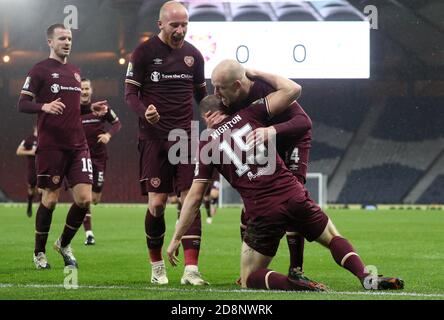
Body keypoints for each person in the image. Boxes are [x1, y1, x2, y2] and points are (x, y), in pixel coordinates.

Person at [167, 69, 404, 291]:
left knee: (249, 277)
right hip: (292, 193)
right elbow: (293, 89)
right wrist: (258, 73)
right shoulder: (254, 113)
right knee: (332, 237)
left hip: (263, 209)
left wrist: (177, 236)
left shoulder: (206, 145)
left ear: (208, 116)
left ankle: (294, 284)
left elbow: (195, 197)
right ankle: (366, 276)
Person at [124, 1, 208, 285]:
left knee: (190, 200)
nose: (180, 30)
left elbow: (201, 96)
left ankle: (191, 269)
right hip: (154, 137)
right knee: (158, 203)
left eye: (184, 25)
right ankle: (157, 265)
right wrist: (144, 111)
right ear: (160, 24)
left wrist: (218, 112)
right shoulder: (144, 53)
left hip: (185, 137)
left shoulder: (194, 56)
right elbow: (130, 95)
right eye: (175, 25)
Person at [208, 59, 312, 282]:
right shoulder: (228, 100)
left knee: (294, 204)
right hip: (265, 146)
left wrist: (273, 130)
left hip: (292, 141)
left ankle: (296, 270)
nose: (216, 93)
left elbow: (304, 122)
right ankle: (249, 267)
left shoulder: (263, 88)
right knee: (250, 209)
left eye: (220, 87)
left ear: (236, 83)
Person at [17, 23, 108, 269]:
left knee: (84, 199)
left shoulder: (75, 71)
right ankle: (39, 253)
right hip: (51, 146)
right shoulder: (39, 70)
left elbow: (72, 110)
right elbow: (22, 103)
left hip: (78, 146)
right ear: (50, 42)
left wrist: (91, 109)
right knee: (50, 199)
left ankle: (64, 243)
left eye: (69, 38)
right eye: (61, 38)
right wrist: (43, 106)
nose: (67, 42)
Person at [80, 78, 122, 245]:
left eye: (86, 88)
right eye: (81, 88)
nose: (84, 91)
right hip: (81, 157)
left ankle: (86, 222)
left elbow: (117, 123)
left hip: (99, 157)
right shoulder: (73, 109)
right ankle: (89, 233)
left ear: (91, 90)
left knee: (95, 198)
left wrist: (108, 135)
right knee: (85, 197)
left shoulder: (101, 108)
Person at [16, 126, 39, 217]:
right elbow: (19, 151)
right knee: (31, 189)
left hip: (43, 167)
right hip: (32, 168)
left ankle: (41, 211)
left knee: (42, 189)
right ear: (35, 127)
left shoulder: (45, 137)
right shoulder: (29, 139)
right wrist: (31, 152)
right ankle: (29, 203)